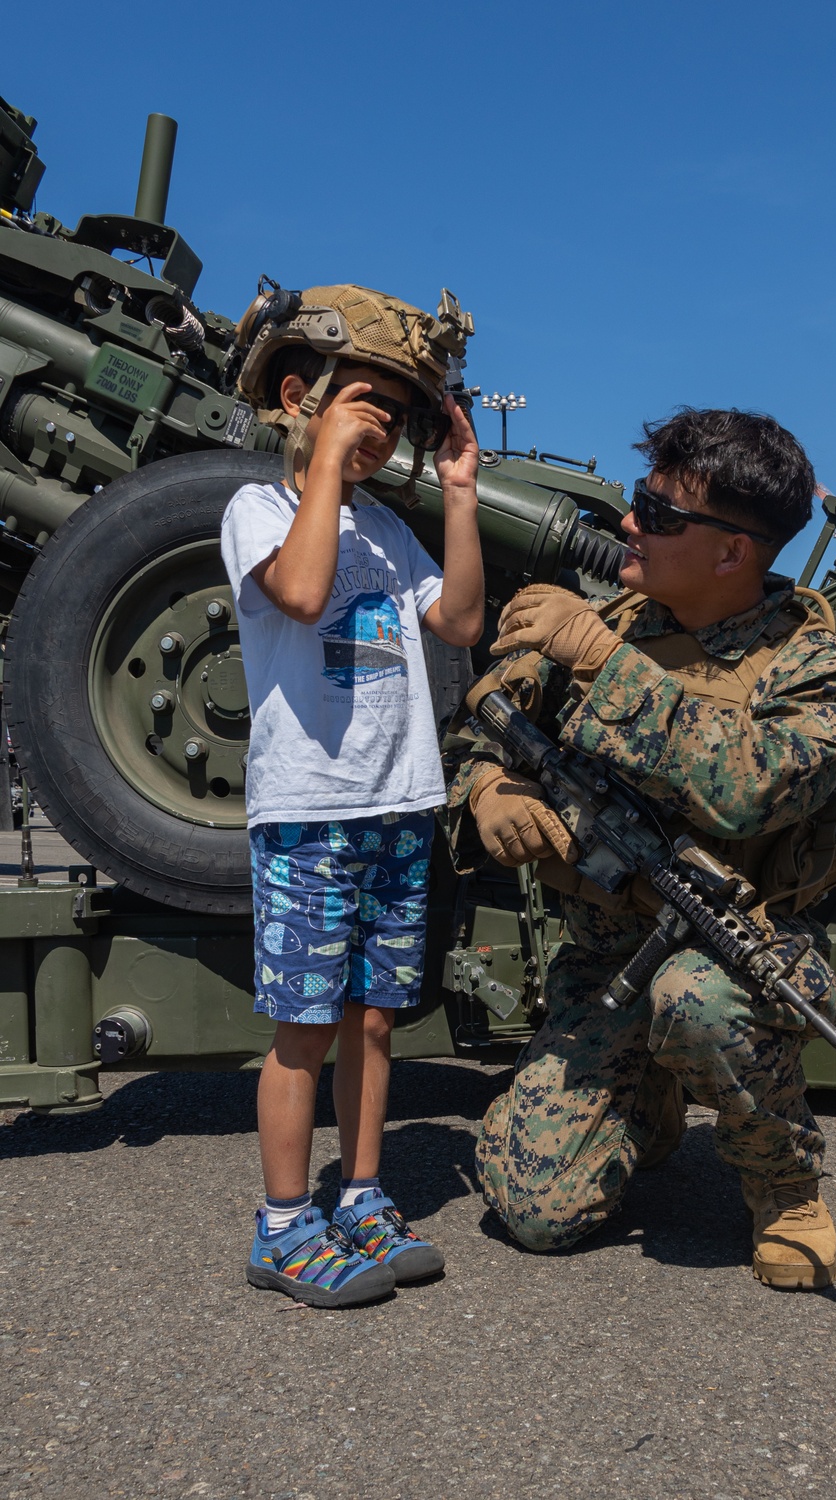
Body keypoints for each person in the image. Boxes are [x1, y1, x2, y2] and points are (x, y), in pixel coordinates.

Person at [447, 407, 836, 1291]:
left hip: (746, 950)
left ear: (733, 552)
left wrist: (608, 665)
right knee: (536, 1212)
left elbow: (748, 786)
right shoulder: (607, 621)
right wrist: (485, 793)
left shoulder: (821, 669)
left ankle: (785, 1187)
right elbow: (480, 726)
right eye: (640, 502)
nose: (631, 523)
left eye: (661, 513)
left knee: (699, 1001)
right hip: (605, 956)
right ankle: (645, 1105)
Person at [222, 283, 483, 1308]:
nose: (384, 427)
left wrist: (458, 492)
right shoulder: (259, 509)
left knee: (376, 1020)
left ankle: (361, 1193)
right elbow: (295, 592)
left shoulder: (388, 529)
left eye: (395, 414)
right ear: (299, 393)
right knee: (303, 1026)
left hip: (397, 801)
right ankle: (283, 1224)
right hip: (309, 811)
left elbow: (458, 621)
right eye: (364, 402)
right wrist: (324, 461)